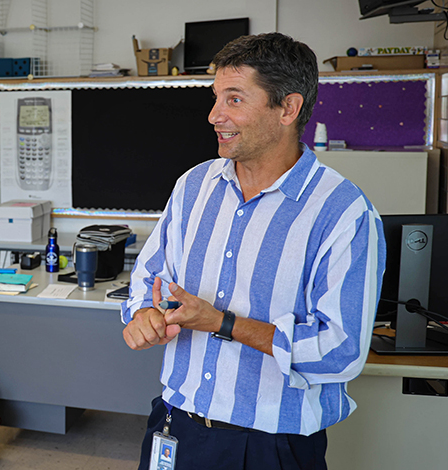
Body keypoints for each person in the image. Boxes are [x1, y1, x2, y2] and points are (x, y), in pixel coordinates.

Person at [121, 32, 386, 470]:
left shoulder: (343, 212)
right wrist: (143, 314)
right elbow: (149, 278)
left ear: (288, 108)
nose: (214, 115)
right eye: (215, 97)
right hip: (176, 422)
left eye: (234, 99)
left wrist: (223, 323)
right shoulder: (194, 185)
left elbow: (340, 350)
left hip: (270, 445)